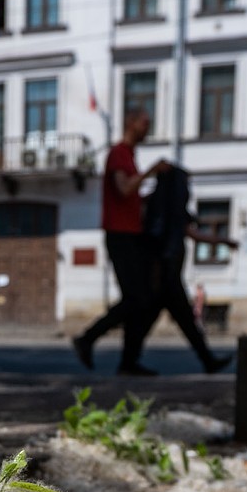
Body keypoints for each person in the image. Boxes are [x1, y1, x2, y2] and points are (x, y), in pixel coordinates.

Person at [72, 108, 167, 377]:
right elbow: (124, 189)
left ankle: (128, 360)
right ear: (131, 123)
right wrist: (151, 172)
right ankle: (89, 338)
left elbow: (130, 194)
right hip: (120, 234)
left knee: (141, 299)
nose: (147, 128)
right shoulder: (119, 153)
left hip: (131, 234)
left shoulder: (129, 156)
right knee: (137, 297)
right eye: (144, 122)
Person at [133, 163, 238, 373]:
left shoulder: (168, 207)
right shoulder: (161, 207)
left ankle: (207, 360)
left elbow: (191, 233)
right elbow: (159, 239)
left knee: (166, 320)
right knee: (177, 320)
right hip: (166, 276)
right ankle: (207, 360)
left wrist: (222, 240)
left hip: (168, 275)